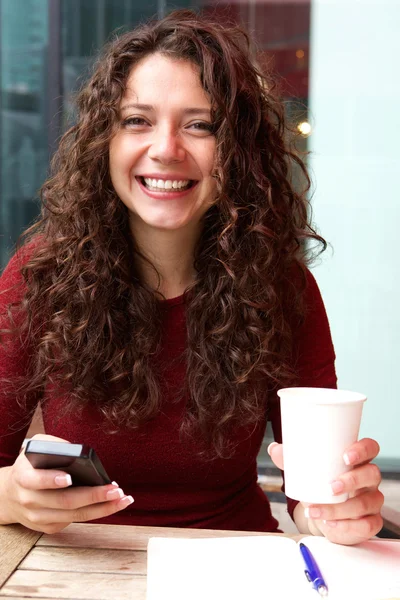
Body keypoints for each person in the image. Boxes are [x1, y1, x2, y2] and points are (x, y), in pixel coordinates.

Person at [0, 9, 383, 545]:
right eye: (137, 120)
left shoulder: (282, 287)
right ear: (103, 140)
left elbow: (309, 498)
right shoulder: (39, 276)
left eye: (200, 125)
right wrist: (12, 496)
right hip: (77, 567)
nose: (166, 149)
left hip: (236, 565)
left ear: (237, 151)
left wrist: (335, 514)